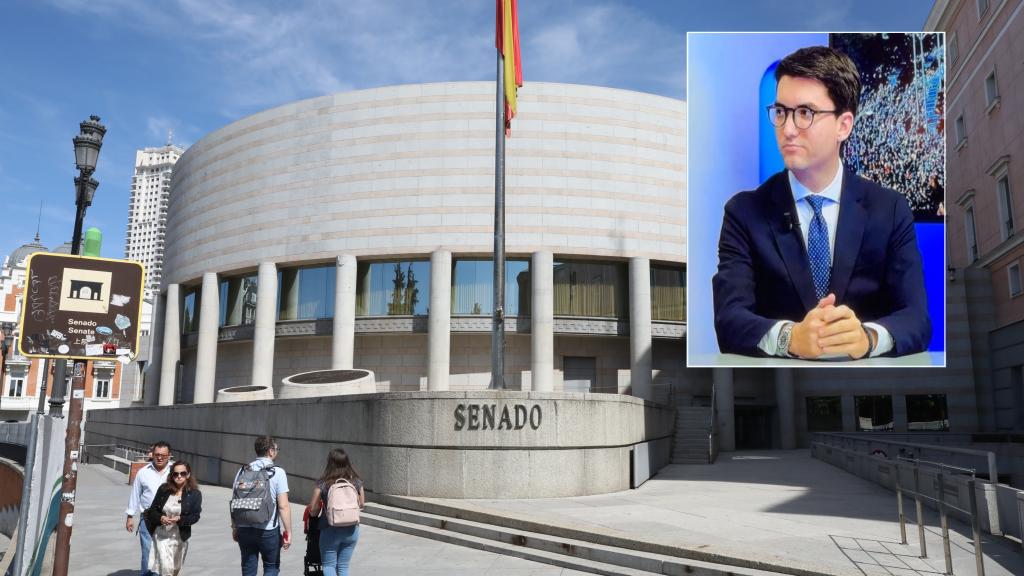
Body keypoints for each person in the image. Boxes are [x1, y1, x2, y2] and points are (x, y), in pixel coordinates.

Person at [713, 45, 930, 359]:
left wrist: (868, 338)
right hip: (779, 391)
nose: (787, 129)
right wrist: (790, 337)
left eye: (805, 113)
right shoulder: (744, 213)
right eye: (780, 112)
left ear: (843, 125)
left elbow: (917, 319)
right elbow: (729, 320)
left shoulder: (890, 209)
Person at [232, 436, 292, 576]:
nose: (277, 452)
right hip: (268, 529)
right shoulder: (278, 472)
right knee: (271, 567)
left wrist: (235, 526)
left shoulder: (242, 471)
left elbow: (235, 501)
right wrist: (288, 531)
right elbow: (283, 506)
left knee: (248, 569)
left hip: (244, 528)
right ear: (270, 451)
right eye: (277, 449)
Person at [308, 449, 365, 576]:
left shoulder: (322, 483)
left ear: (330, 463)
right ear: (347, 462)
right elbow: (361, 504)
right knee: (343, 567)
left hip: (329, 528)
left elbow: (313, 509)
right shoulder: (356, 481)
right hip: (351, 529)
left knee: (329, 566)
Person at [144, 461, 202, 576]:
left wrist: (180, 519)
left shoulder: (195, 494)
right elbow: (152, 511)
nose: (179, 476)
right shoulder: (164, 489)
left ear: (188, 475)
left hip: (180, 537)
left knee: (175, 570)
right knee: (166, 569)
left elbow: (195, 516)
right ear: (171, 475)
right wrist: (161, 518)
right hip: (161, 535)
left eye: (183, 473)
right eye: (175, 474)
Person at [126, 441, 173, 576]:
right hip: (147, 518)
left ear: (169, 456)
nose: (159, 458)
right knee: (147, 550)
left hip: (169, 518)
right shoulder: (143, 472)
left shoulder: (174, 473)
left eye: (163, 455)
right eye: (157, 454)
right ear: (152, 455)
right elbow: (135, 494)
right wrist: (130, 516)